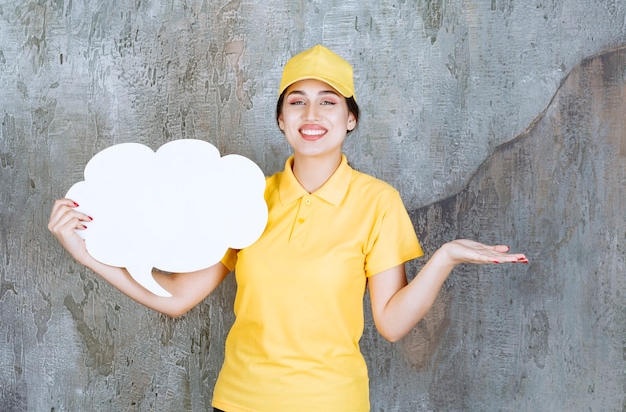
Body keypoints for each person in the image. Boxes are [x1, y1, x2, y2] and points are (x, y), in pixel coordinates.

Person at [48, 45, 528, 412]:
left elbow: (392, 323)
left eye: (329, 102)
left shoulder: (378, 202)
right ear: (281, 120)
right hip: (239, 400)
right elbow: (175, 297)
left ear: (351, 118)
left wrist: (444, 257)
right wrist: (86, 253)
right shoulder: (244, 196)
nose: (312, 115)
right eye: (297, 102)